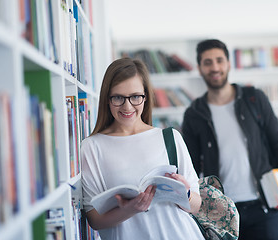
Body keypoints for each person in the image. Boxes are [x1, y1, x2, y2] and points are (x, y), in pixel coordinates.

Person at [181, 39, 278, 240]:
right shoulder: (194, 114)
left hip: (263, 205)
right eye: (208, 62)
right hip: (220, 212)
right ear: (200, 68)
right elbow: (189, 167)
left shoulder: (254, 99)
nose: (215, 67)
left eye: (219, 60)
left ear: (228, 64)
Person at [81, 58, 204, 239]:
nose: (127, 106)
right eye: (118, 97)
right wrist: (130, 210)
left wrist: (184, 193)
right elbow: (94, 220)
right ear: (107, 99)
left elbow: (196, 206)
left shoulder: (170, 138)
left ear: (146, 96)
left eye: (135, 97)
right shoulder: (92, 147)